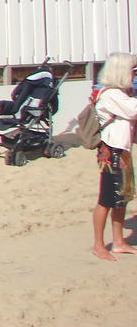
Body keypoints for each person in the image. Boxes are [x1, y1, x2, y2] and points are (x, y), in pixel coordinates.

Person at [91, 52, 137, 261]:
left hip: (123, 151)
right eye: (132, 70)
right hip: (112, 152)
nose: (133, 74)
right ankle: (99, 245)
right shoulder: (110, 95)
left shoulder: (120, 93)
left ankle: (118, 242)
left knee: (122, 197)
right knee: (106, 199)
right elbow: (133, 111)